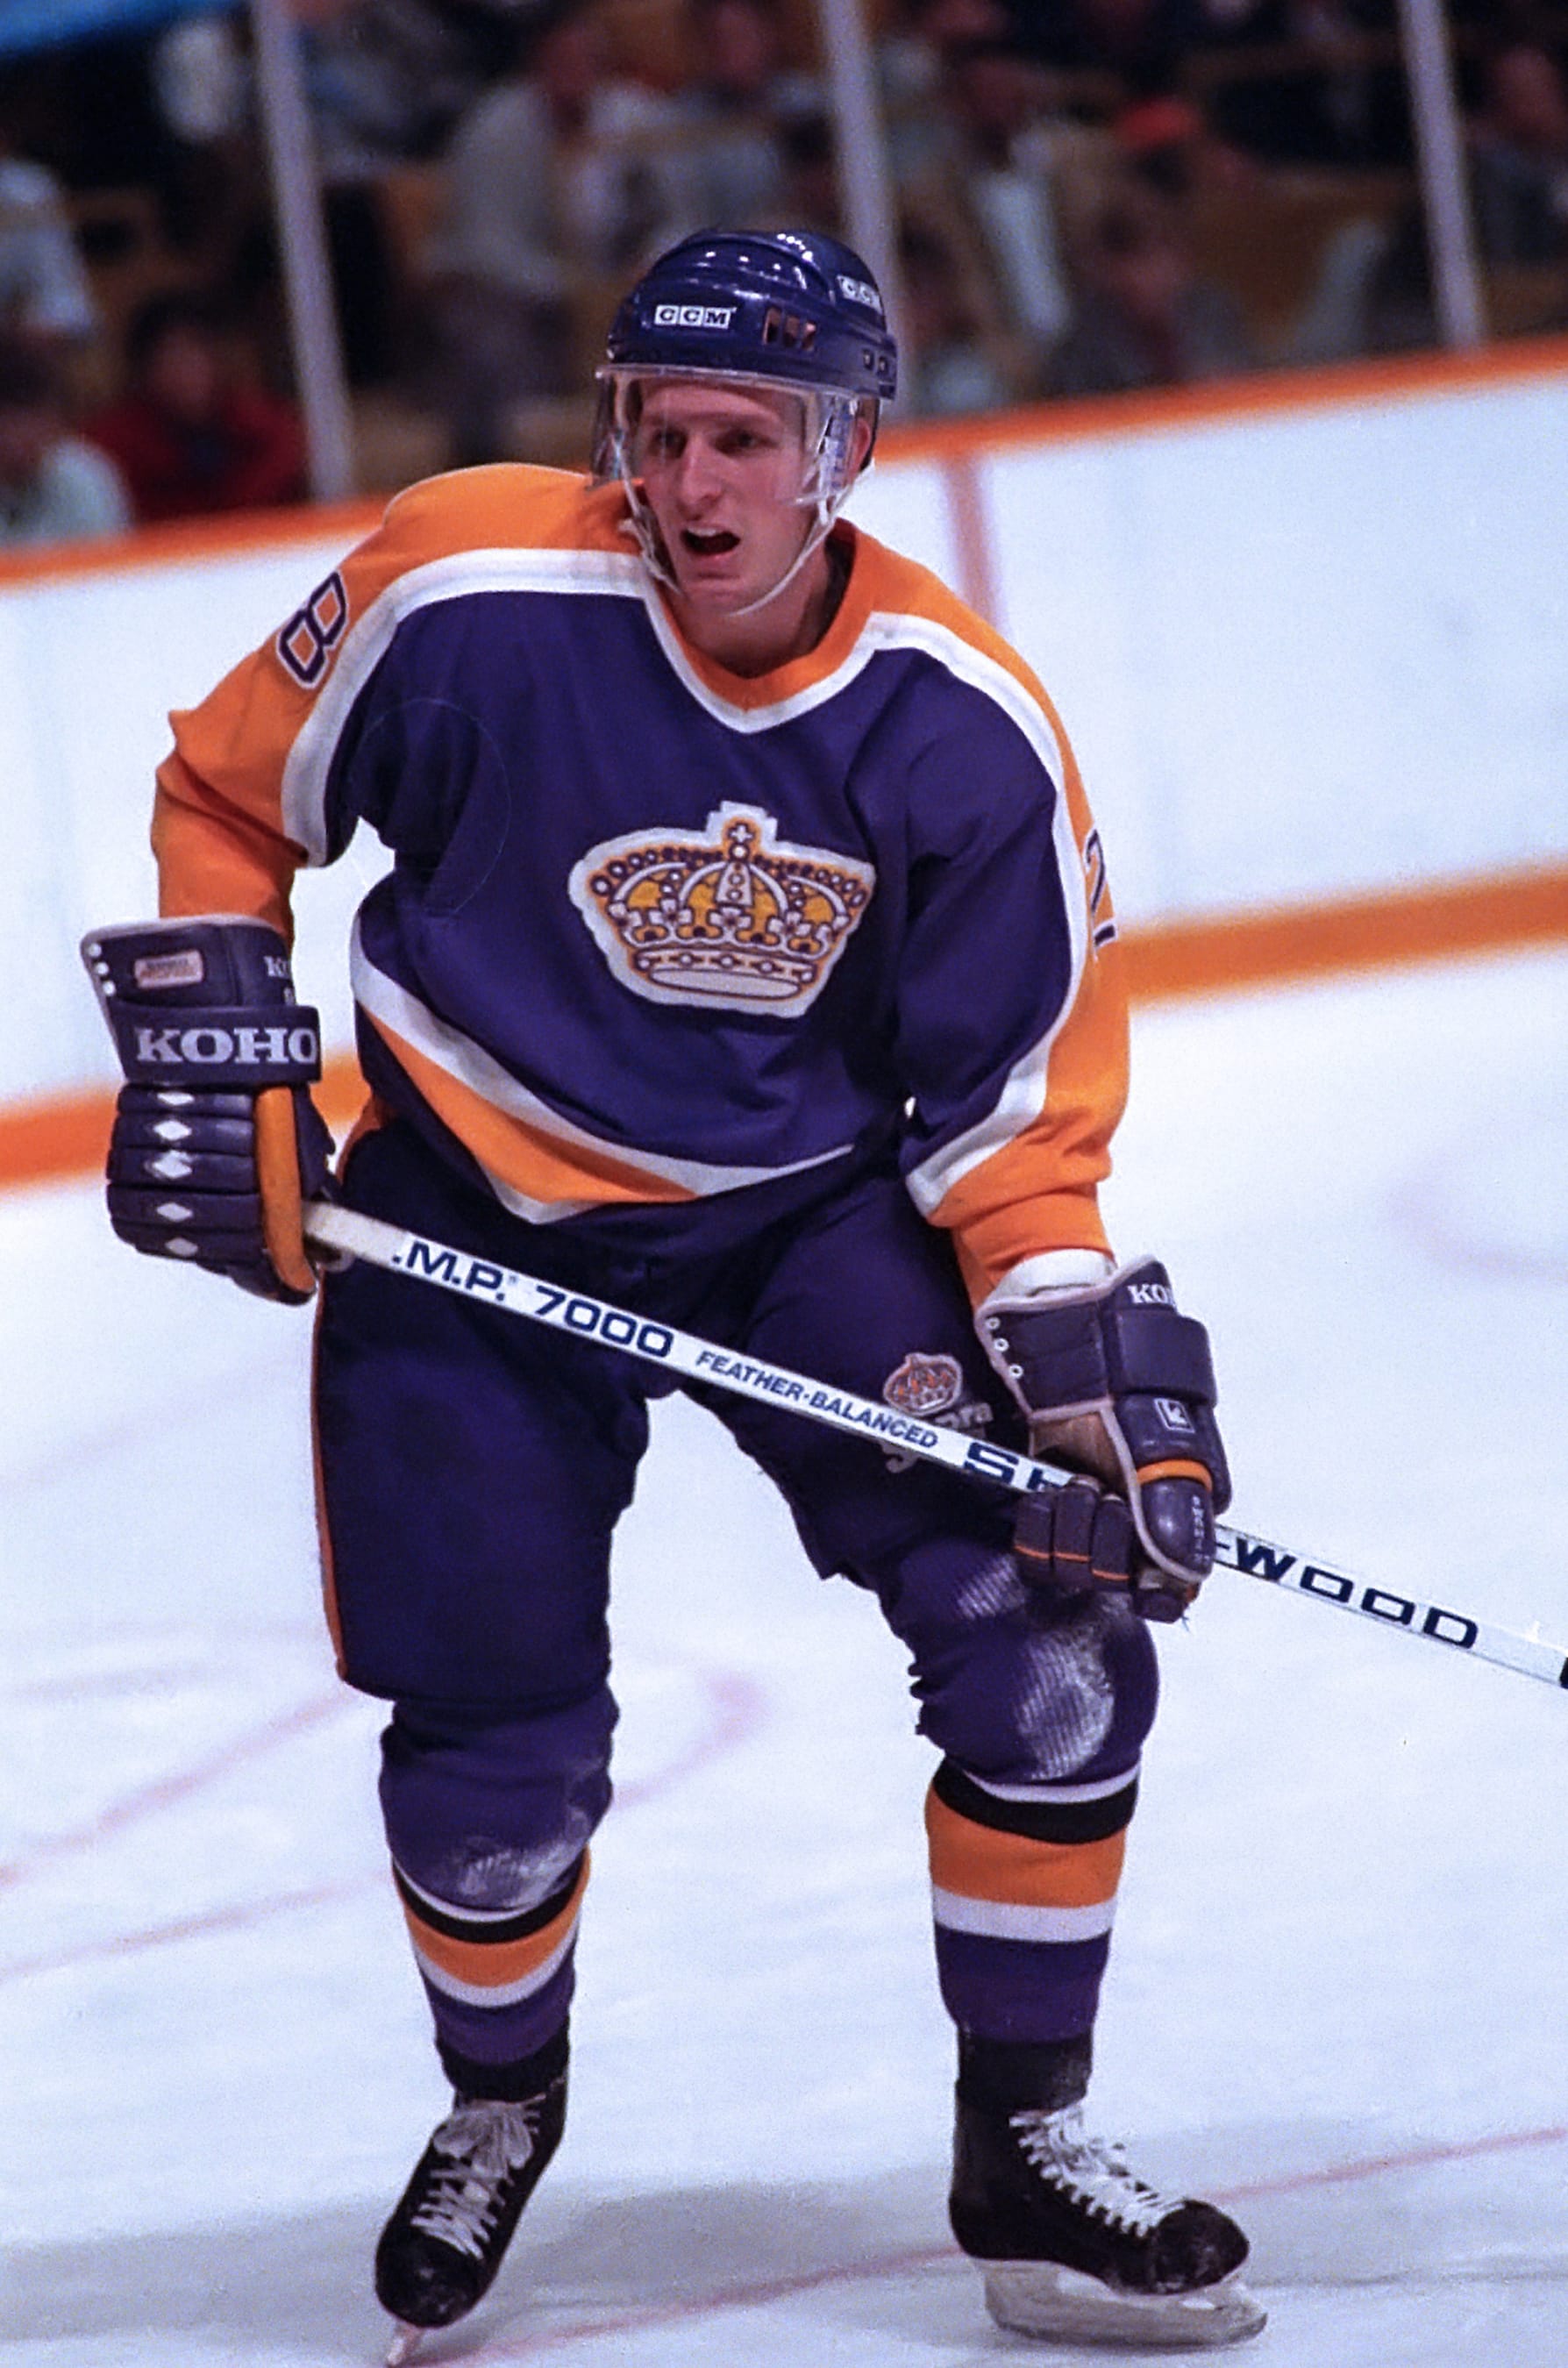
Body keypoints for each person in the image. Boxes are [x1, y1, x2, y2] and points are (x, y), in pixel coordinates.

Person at [84, 229, 1264, 2360]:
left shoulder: (959, 728)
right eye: (663, 429)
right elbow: (225, 793)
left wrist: (1083, 1367)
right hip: (464, 1203)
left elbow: (1003, 1114)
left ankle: (1023, 2137)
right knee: (493, 1761)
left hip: (793, 1219)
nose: (696, 483)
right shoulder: (466, 581)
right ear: (614, 429)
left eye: (752, 437)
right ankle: (495, 2102)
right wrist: (218, 1039)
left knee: (1050, 1648)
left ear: (849, 451)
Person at [85, 290, 306, 524]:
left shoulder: (263, 424)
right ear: (144, 370)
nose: (185, 372)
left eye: (194, 356)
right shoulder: (113, 446)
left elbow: (286, 455)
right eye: (171, 359)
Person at [0, 334, 130, 546]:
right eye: (10, 420)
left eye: (34, 420)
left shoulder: (86, 474)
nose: (20, 436)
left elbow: (113, 564)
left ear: (57, 422)